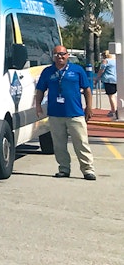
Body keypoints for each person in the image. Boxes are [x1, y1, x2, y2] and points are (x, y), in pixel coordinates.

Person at [35, 45, 96, 180]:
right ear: (53, 56)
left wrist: (89, 107)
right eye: (57, 54)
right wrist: (38, 105)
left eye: (62, 54)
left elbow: (87, 90)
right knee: (59, 144)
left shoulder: (77, 70)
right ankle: (63, 169)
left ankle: (88, 170)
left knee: (81, 143)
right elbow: (40, 90)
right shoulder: (47, 72)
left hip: (75, 114)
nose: (60, 57)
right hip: (55, 114)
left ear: (67, 55)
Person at [95, 50, 118, 120]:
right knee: (115, 96)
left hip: (108, 80)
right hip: (117, 79)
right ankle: (115, 109)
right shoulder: (115, 61)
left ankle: (114, 111)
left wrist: (97, 78)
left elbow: (101, 70)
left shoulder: (105, 61)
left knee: (111, 96)